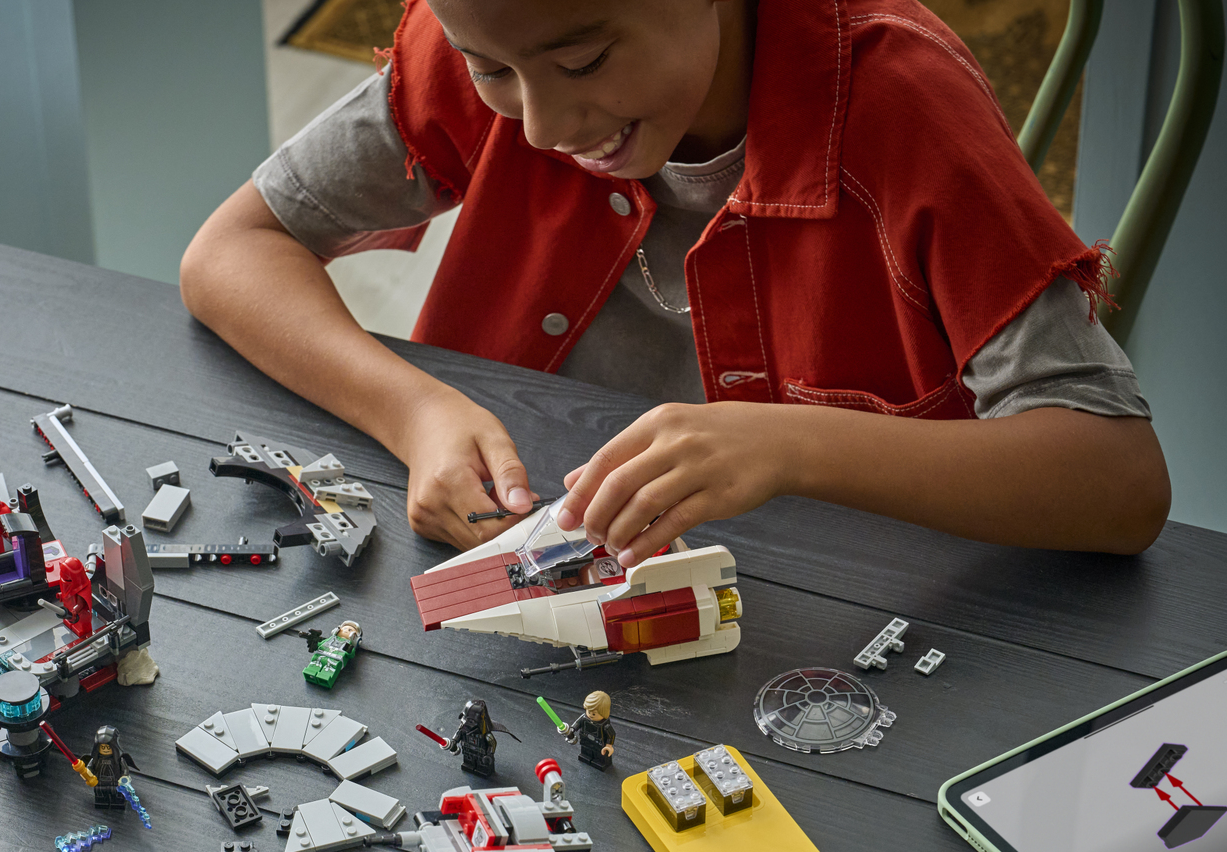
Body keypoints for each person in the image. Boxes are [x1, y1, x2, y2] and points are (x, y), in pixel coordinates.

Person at [181, 0, 1170, 558]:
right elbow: (230, 252)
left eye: (583, 61)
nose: (541, 127)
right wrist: (416, 415)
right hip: (557, 569)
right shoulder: (503, 27)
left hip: (852, 612)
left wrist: (789, 446)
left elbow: (1117, 480)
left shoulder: (903, 104)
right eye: (490, 73)